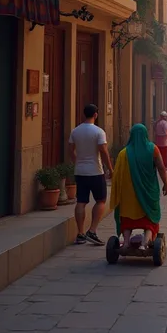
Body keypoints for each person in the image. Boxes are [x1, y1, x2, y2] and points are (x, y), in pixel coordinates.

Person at [110, 124, 167, 253]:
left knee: (127, 219)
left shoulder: (123, 153)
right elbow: (161, 167)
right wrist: (166, 183)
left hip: (128, 194)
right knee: (149, 217)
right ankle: (144, 243)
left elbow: (117, 175)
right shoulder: (153, 149)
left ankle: (125, 243)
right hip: (149, 191)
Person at [69, 104, 113, 245]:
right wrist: (111, 169)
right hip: (95, 171)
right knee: (100, 200)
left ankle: (80, 233)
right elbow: (103, 151)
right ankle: (92, 230)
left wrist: (78, 162)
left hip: (80, 171)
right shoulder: (99, 132)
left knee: (81, 201)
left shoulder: (75, 131)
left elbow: (71, 150)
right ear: (95, 115)